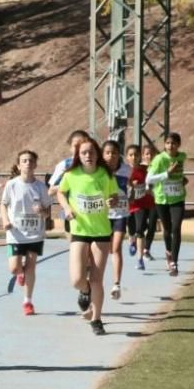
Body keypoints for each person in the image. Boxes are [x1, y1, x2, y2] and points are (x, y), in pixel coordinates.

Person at [56, 136, 119, 336]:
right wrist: (66, 207)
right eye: (84, 153)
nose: (88, 156)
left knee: (97, 279)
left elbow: (114, 196)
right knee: (77, 279)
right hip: (79, 230)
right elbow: (60, 192)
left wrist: (112, 201)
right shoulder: (71, 174)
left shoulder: (105, 174)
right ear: (78, 156)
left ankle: (97, 319)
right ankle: (85, 292)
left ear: (97, 154)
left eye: (91, 152)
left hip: (101, 231)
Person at [0, 150, 53, 315]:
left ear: (35, 164)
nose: (28, 163)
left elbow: (47, 212)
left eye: (31, 161)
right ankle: (19, 273)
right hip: (15, 233)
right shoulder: (12, 185)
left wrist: (42, 212)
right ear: (19, 165)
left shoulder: (41, 187)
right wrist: (5, 221)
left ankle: (28, 301)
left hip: (34, 233)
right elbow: (3, 204)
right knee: (14, 268)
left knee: (31, 267)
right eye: (24, 161)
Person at [146, 132, 188, 277]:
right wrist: (166, 174)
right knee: (167, 229)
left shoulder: (182, 157)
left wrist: (183, 179)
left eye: (174, 143)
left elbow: (180, 172)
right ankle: (168, 251)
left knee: (176, 228)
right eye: (168, 143)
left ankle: (174, 263)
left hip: (178, 199)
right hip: (162, 199)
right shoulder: (159, 159)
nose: (171, 146)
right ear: (164, 145)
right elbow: (149, 179)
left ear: (179, 145)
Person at [103, 140, 131, 300]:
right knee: (107, 250)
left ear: (118, 154)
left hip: (120, 214)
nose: (111, 156)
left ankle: (116, 284)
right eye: (107, 152)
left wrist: (133, 192)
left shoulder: (127, 170)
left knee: (116, 248)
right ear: (102, 155)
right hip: (103, 216)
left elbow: (136, 186)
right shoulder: (99, 171)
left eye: (114, 152)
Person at [125, 145, 155, 271]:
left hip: (142, 204)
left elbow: (153, 182)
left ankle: (140, 259)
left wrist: (150, 189)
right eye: (131, 155)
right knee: (131, 229)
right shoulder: (124, 170)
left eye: (136, 155)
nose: (134, 157)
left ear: (140, 156)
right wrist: (130, 185)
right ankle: (131, 240)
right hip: (128, 205)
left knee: (140, 229)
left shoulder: (146, 169)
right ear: (127, 157)